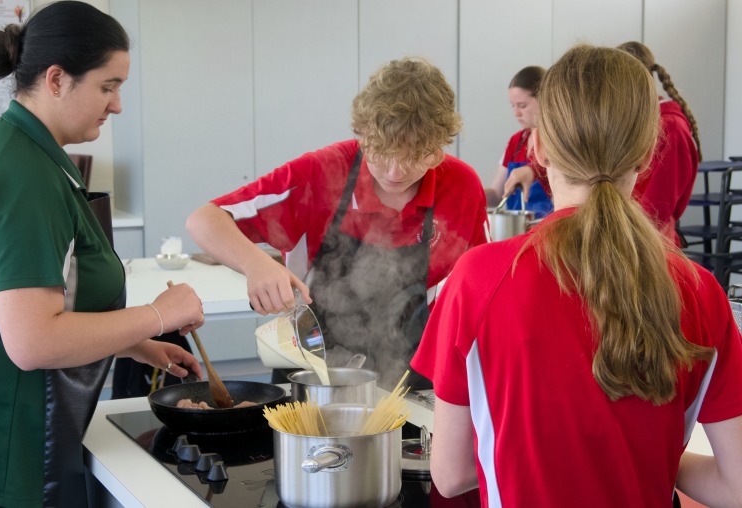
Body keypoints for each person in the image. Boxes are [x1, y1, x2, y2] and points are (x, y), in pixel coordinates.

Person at [412, 44, 742, 506]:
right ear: (646, 154)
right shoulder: (700, 291)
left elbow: (450, 474)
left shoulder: (478, 278)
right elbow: (736, 485)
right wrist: (657, 454)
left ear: (540, 148)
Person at [0, 3, 204, 507]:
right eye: (108, 86)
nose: (119, 105)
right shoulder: (21, 174)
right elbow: (34, 340)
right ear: (57, 79)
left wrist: (135, 345)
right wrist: (154, 317)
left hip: (12, 428)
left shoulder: (29, 149)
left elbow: (37, 301)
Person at [187, 57, 489, 390]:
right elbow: (205, 220)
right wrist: (254, 263)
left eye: (416, 157)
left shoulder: (461, 187)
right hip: (312, 376)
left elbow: (483, 287)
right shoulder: (322, 172)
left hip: (416, 383)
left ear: (440, 146)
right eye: (382, 152)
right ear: (362, 134)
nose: (395, 172)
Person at [504, 42, 700, 246]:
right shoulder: (623, 120)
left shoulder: (672, 129)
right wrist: (533, 169)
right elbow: (588, 150)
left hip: (642, 246)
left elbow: (656, 209)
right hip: (597, 236)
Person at [483, 66, 553, 218]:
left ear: (544, 99)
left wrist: (532, 170)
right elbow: (497, 194)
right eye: (513, 106)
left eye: (522, 105)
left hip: (549, 229)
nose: (516, 113)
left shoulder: (558, 140)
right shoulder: (516, 142)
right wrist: (468, 194)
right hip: (518, 232)